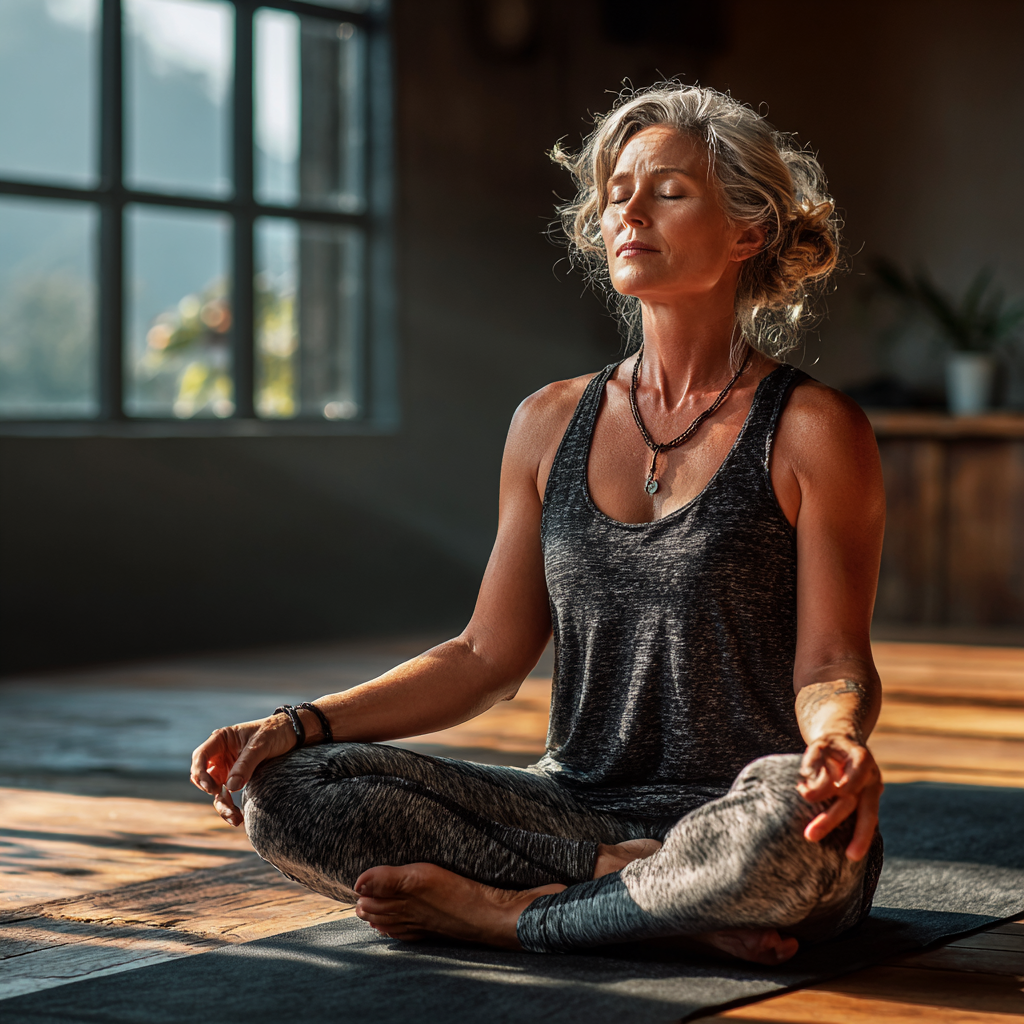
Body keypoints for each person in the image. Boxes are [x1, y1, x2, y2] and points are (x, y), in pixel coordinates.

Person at [191, 83, 885, 965]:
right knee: (288, 789)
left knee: (794, 830)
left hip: (741, 805)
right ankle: (622, 885)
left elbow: (830, 661)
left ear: (747, 232)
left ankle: (507, 915)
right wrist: (297, 723)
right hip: (569, 806)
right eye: (618, 191)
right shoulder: (549, 422)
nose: (628, 209)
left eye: (667, 191)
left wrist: (834, 743)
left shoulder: (815, 430)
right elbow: (485, 656)